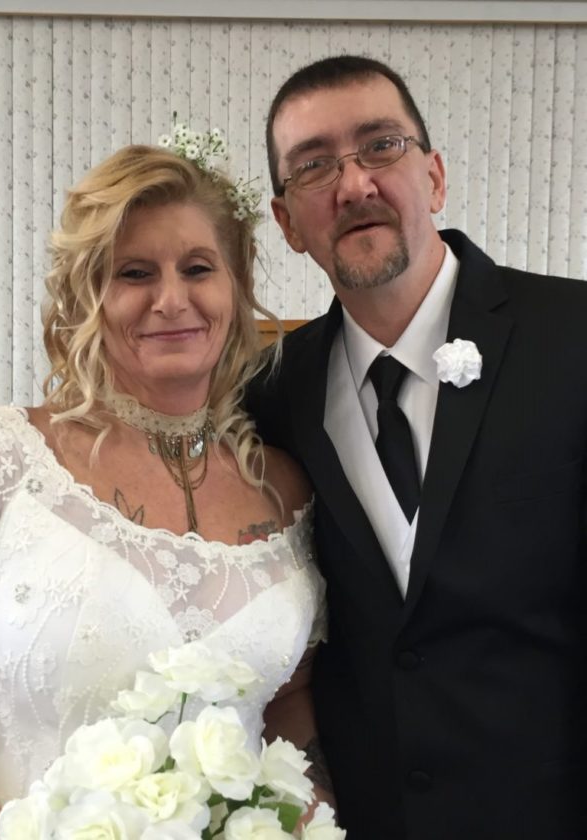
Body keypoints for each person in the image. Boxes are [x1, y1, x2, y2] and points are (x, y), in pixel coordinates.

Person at [246, 54, 587, 839]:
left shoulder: (572, 337)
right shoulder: (270, 395)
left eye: (380, 146)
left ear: (433, 177)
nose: (352, 184)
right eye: (313, 165)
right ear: (287, 223)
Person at [0, 140, 328, 839]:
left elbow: (289, 703)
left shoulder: (288, 490)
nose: (172, 299)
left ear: (235, 285)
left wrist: (303, 816)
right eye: (134, 273)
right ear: (87, 294)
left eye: (198, 268)